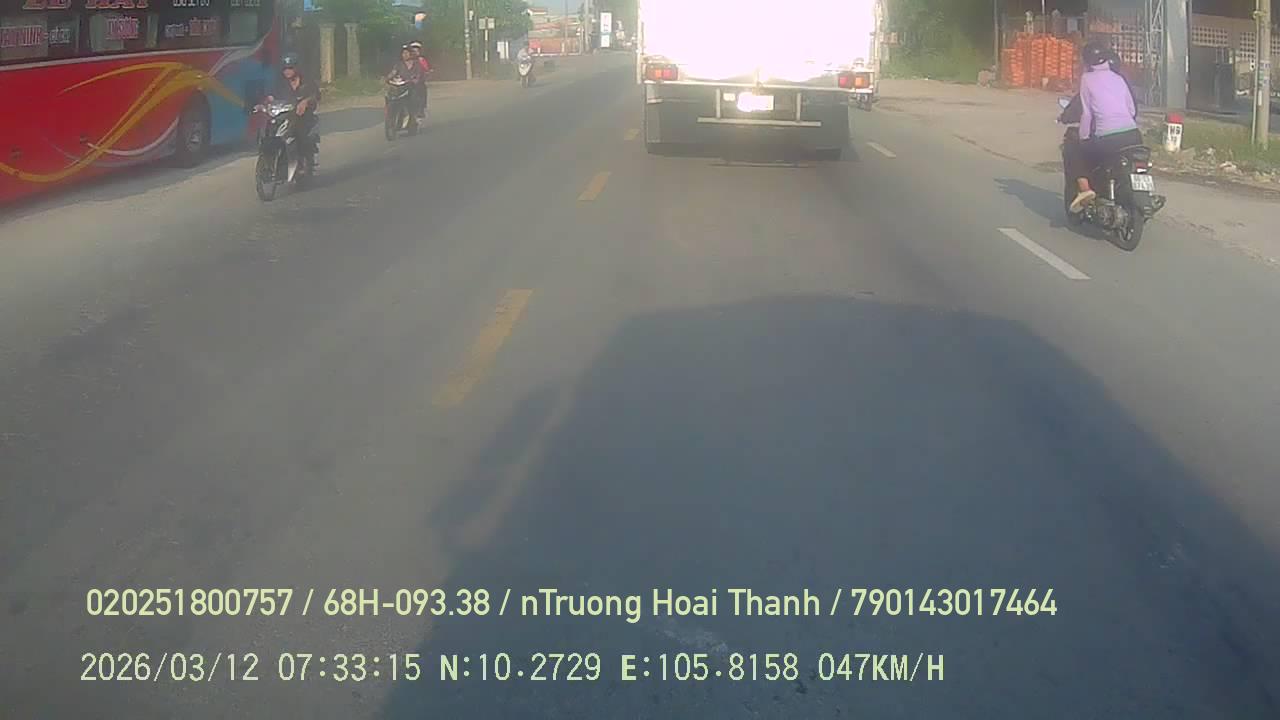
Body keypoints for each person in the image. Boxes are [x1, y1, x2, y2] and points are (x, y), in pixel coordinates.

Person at [1070, 42, 1142, 212]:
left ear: (1086, 61)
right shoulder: (1119, 78)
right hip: (1134, 135)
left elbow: (1087, 114)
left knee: (1075, 151)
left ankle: (1085, 190)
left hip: (1108, 138)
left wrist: (1083, 138)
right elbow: (1132, 110)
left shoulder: (1087, 79)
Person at [267, 53, 319, 175]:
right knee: (270, 128)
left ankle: (302, 161)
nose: (287, 71)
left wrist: (305, 102)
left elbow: (316, 95)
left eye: (290, 68)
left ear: (297, 67)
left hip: (304, 116)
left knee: (299, 133)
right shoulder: (280, 83)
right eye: (285, 68)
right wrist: (267, 102)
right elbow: (272, 96)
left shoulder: (307, 81)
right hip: (285, 115)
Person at [409, 41, 431, 118]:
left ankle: (421, 109)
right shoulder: (407, 60)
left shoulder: (421, 60)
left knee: (422, 91)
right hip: (407, 81)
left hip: (418, 82)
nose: (415, 53)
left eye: (417, 51)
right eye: (413, 51)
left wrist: (426, 73)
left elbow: (426, 69)